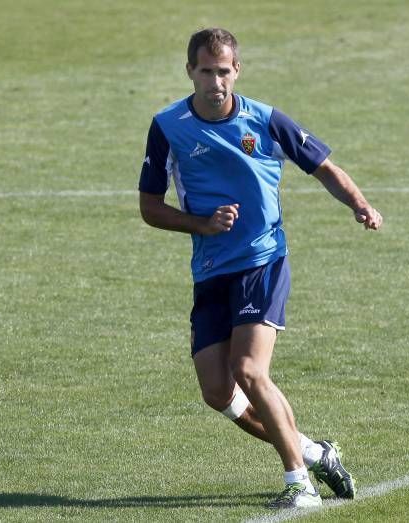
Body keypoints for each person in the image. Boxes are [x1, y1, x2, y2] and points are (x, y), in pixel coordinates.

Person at [137, 27, 382, 509]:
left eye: (223, 70)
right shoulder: (168, 126)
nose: (215, 81)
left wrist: (359, 204)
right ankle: (313, 452)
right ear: (190, 72)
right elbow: (149, 206)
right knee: (216, 392)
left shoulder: (266, 120)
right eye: (205, 71)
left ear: (237, 70)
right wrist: (202, 225)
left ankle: (299, 484)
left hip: (261, 260)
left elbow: (324, 166)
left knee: (249, 370)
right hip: (210, 270)